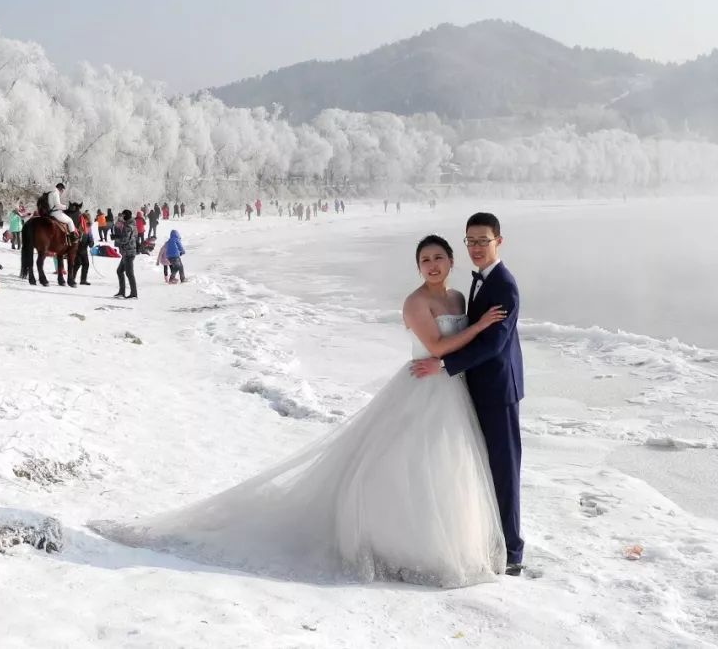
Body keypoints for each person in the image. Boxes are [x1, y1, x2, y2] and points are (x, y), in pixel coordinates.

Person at [90, 235, 508, 587]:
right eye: (424, 260)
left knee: (446, 467)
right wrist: (479, 326)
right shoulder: (415, 302)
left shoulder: (456, 295)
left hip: (451, 391)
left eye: (438, 258)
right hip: (421, 387)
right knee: (404, 465)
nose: (432, 265)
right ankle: (400, 544)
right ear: (417, 267)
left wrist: (475, 332)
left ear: (451, 261)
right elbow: (435, 348)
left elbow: (456, 349)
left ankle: (445, 543)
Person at [411, 212, 525, 575]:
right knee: (474, 469)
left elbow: (494, 344)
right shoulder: (472, 287)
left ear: (498, 242)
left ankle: (512, 552)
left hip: (498, 391)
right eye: (470, 241)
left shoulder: (504, 285)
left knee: (503, 472)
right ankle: (484, 537)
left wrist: (444, 366)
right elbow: (467, 333)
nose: (476, 247)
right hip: (469, 389)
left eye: (483, 241)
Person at [112, 209, 138, 299]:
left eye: (123, 216)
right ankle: (122, 291)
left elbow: (125, 240)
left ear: (125, 216)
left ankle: (134, 293)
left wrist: (116, 238)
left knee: (129, 273)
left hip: (129, 252)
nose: (122, 217)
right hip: (127, 252)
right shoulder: (132, 224)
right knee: (119, 271)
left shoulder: (128, 226)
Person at [70, 207, 94, 285]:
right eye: (86, 218)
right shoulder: (78, 225)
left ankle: (83, 280)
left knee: (86, 264)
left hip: (84, 247)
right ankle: (71, 278)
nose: (87, 220)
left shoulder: (89, 226)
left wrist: (91, 242)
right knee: (77, 263)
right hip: (77, 247)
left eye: (88, 219)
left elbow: (90, 235)